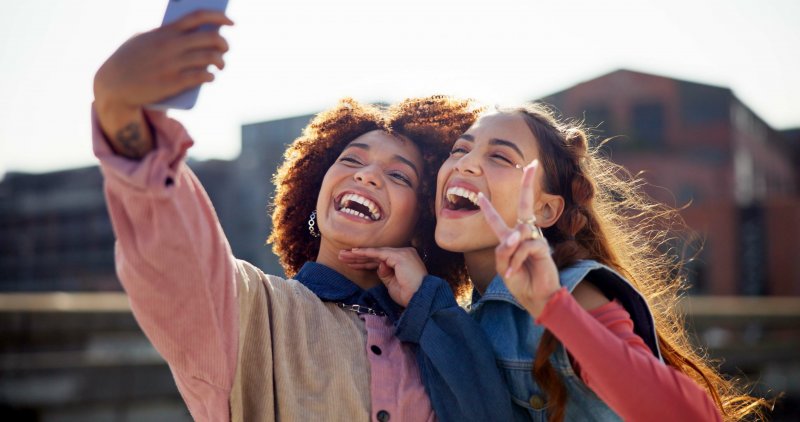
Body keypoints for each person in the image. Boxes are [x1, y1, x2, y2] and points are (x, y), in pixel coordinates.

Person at [91, 10, 513, 421]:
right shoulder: (253, 311)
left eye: (399, 175)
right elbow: (177, 256)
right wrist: (124, 114)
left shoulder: (442, 333)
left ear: (423, 224)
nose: (366, 175)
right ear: (315, 192)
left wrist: (429, 304)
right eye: (351, 160)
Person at [346, 103, 769, 421]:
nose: (467, 164)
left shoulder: (573, 291)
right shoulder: (467, 311)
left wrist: (555, 308)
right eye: (460, 150)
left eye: (500, 157)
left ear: (546, 210)